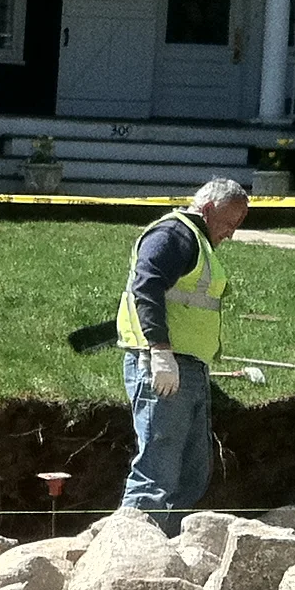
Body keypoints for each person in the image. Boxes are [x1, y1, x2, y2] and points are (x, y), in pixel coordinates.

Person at [115, 178, 250, 534]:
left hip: (187, 368)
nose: (231, 233)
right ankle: (132, 550)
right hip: (163, 367)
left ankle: (167, 546)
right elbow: (147, 286)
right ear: (207, 210)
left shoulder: (195, 242)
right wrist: (160, 351)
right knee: (158, 468)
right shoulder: (174, 236)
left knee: (191, 470)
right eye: (229, 222)